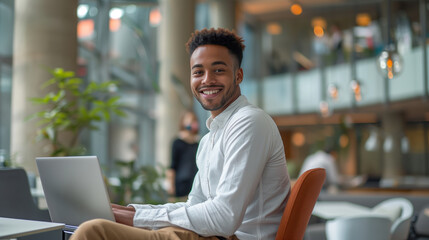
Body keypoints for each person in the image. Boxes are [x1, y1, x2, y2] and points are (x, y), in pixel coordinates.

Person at [71, 28, 290, 240]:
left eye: (219, 70)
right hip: (211, 235)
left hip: (233, 237)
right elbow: (194, 205)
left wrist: (133, 216)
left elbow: (225, 218)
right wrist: (128, 210)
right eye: (198, 72)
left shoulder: (249, 122)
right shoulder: (208, 140)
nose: (206, 80)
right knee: (99, 226)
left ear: (238, 75)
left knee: (94, 231)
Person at [167, 111, 200, 200]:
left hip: (195, 183)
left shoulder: (198, 144)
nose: (191, 122)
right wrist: (171, 186)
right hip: (181, 184)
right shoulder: (177, 142)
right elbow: (173, 166)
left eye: (193, 120)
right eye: (188, 119)